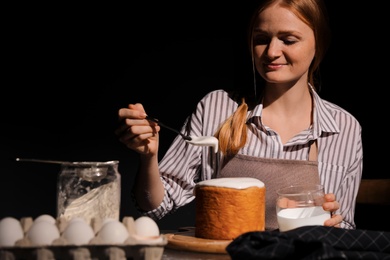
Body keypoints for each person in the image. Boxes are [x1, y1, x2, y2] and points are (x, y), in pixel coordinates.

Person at [115, 0, 362, 230]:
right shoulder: (217, 108)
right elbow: (156, 205)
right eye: (262, 39)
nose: (271, 52)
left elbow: (345, 227)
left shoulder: (344, 128)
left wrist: (332, 227)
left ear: (319, 43)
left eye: (288, 40)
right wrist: (148, 156)